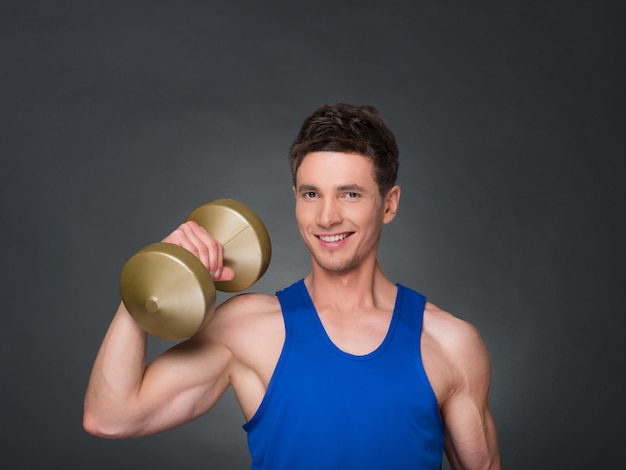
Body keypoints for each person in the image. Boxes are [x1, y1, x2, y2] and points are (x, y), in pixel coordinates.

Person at [84, 103, 501, 469]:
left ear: (388, 204)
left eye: (350, 194)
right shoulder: (247, 328)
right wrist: (151, 274)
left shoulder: (450, 343)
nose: (326, 217)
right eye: (311, 194)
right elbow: (110, 417)